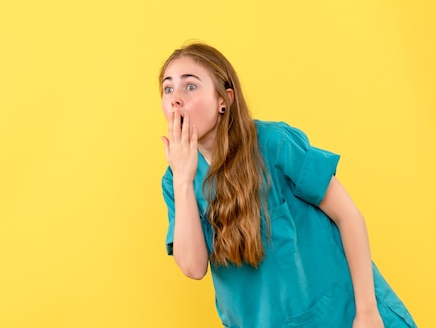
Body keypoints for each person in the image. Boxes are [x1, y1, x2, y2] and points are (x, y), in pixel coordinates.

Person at [159, 42, 417, 327]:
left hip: (348, 315)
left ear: (225, 100)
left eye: (190, 86)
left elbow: (349, 216)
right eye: (168, 89)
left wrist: (367, 312)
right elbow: (194, 268)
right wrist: (183, 180)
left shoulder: (275, 145)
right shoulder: (176, 182)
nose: (176, 99)